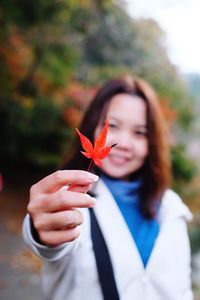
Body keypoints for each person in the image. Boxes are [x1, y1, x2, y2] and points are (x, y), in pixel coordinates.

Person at [23, 76, 193, 300]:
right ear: (91, 126)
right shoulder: (72, 197)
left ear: (152, 142)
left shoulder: (171, 208)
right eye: (112, 125)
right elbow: (54, 243)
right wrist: (40, 231)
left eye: (139, 133)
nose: (123, 143)